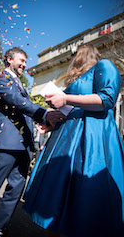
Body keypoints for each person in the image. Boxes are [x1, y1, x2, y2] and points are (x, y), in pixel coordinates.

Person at [23, 44, 124, 237]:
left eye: (75, 54)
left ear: (84, 54)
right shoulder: (78, 79)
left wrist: (66, 98)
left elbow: (107, 99)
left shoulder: (104, 65)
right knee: (57, 205)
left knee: (84, 201)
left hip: (91, 139)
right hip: (66, 139)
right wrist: (51, 122)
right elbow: (73, 110)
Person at [0, 46, 65, 237]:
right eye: (22, 60)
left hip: (24, 146)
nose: (25, 65)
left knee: (14, 192)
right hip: (5, 143)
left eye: (26, 62)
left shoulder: (21, 84)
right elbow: (14, 99)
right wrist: (45, 114)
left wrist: (44, 122)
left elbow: (25, 108)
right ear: (8, 59)